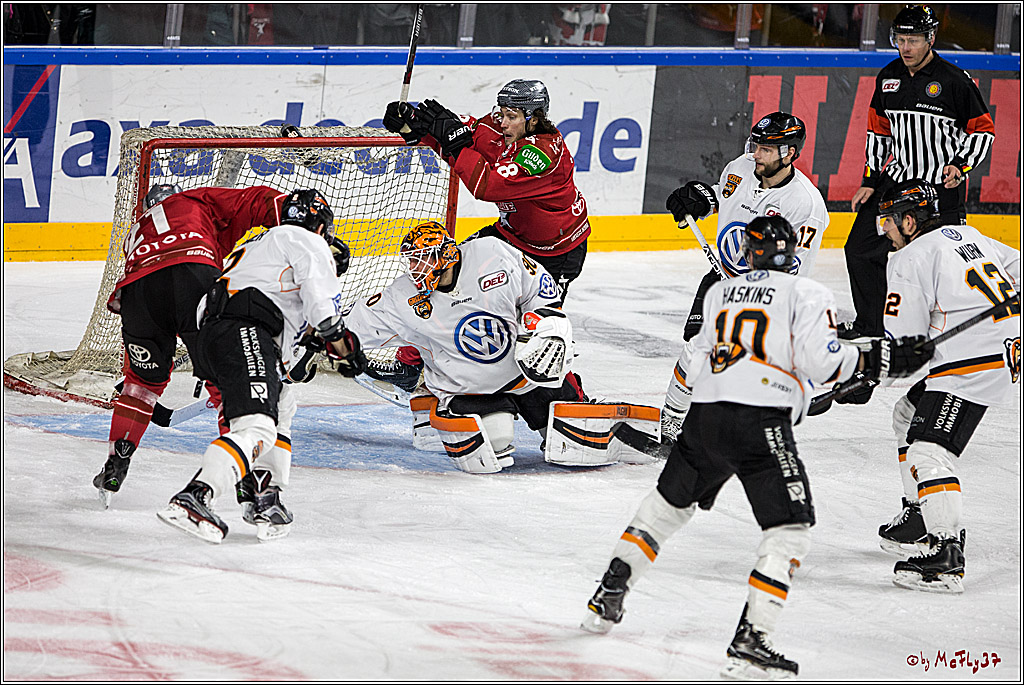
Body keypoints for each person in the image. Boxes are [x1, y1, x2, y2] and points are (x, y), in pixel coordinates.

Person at [580, 215, 934, 678]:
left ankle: (608, 593)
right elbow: (821, 361)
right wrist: (878, 358)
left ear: (748, 253)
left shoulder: (720, 293)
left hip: (706, 416)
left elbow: (713, 355)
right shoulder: (806, 292)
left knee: (664, 510)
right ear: (792, 252)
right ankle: (752, 639)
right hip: (759, 422)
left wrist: (808, 388)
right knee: (791, 530)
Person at [157, 189, 366, 543]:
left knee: (281, 406)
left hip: (216, 334)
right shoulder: (305, 240)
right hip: (242, 330)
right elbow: (325, 313)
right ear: (321, 227)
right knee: (258, 429)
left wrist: (313, 346)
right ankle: (195, 496)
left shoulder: (261, 248)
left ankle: (266, 496)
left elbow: (290, 368)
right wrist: (343, 348)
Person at [375, 81, 591, 393]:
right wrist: (415, 127)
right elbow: (461, 137)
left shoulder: (543, 154)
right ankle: (410, 362)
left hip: (554, 255)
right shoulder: (501, 128)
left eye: (511, 115)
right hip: (510, 237)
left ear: (534, 118)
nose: (501, 121)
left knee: (538, 338)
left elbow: (485, 186)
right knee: (443, 273)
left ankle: (572, 406)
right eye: (501, 112)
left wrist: (454, 142)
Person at [344, 221, 603, 474]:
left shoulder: (491, 253)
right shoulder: (401, 296)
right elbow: (356, 325)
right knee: (496, 442)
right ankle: (431, 403)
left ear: (445, 256)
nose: (414, 269)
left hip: (523, 375)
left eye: (421, 259)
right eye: (411, 261)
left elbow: (538, 289)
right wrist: (318, 337)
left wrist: (542, 325)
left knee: (572, 436)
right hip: (468, 388)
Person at [93, 183, 290, 508]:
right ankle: (247, 482)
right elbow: (257, 201)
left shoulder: (135, 231)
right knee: (227, 378)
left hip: (138, 292)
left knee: (141, 384)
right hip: (192, 276)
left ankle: (115, 465)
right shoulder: (192, 199)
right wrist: (298, 225)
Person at [869, 179, 1019, 593]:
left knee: (928, 450)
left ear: (910, 221)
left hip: (972, 362)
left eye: (889, 222)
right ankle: (920, 513)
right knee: (906, 415)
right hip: (1004, 350)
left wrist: (870, 372)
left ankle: (946, 554)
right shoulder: (966, 234)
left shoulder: (910, 258)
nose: (885, 232)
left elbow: (906, 343)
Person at [660, 111, 829, 441]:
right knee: (695, 349)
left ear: (790, 153)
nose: (756, 154)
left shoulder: (805, 205)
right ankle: (671, 424)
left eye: (766, 149)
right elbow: (723, 195)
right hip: (721, 276)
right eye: (756, 146)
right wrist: (700, 199)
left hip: (770, 297)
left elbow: (791, 269)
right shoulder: (739, 168)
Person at [840, 4, 995, 340]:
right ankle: (872, 324)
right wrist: (869, 181)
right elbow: (879, 131)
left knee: (945, 264)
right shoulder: (888, 76)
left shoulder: (954, 81)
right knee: (860, 248)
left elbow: (983, 130)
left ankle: (941, 330)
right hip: (895, 183)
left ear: (931, 38)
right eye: (900, 39)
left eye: (913, 40)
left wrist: (961, 164)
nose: (905, 47)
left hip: (940, 188)